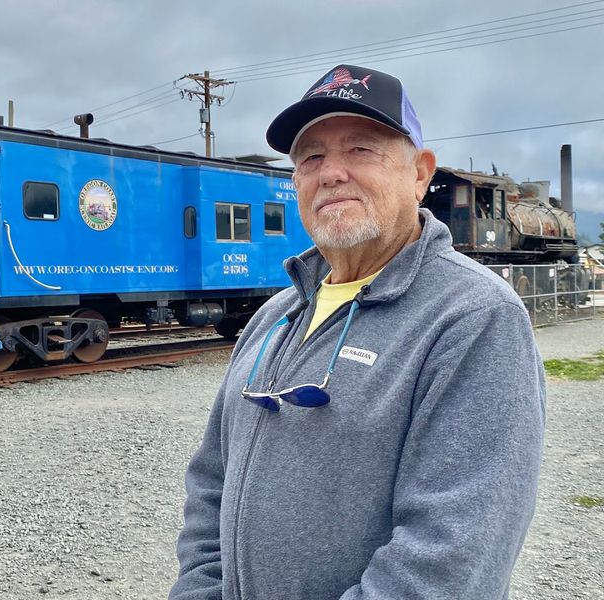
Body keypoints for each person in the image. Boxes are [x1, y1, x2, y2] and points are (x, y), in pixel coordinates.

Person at [170, 64, 545, 599]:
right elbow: (211, 486)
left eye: (361, 150)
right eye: (310, 158)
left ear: (420, 174)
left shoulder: (474, 317)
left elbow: (449, 559)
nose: (330, 173)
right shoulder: (275, 316)